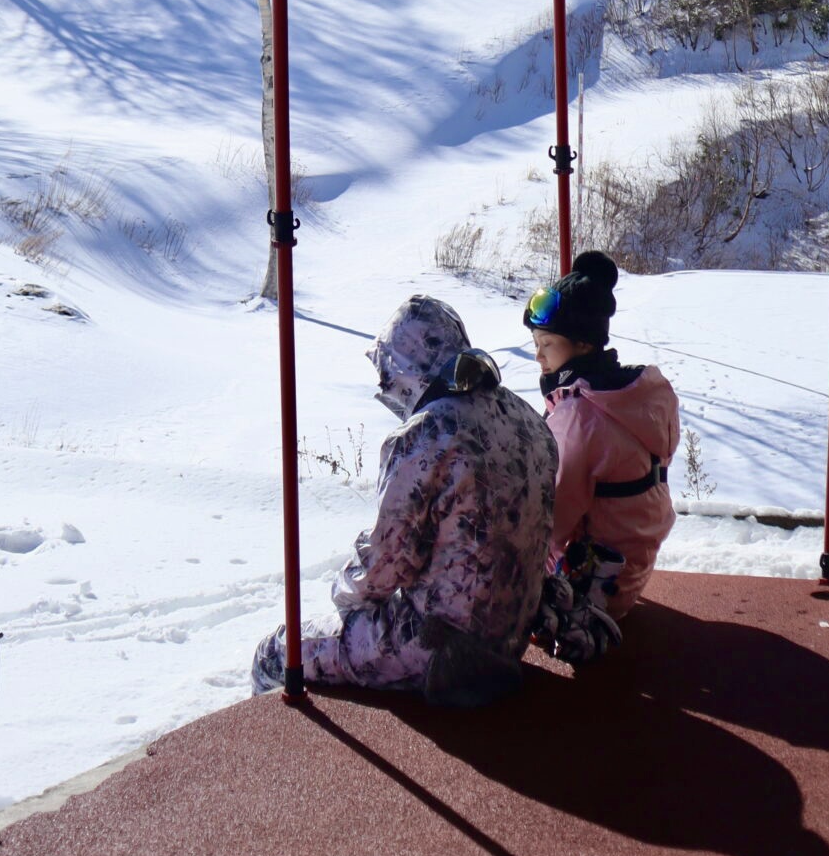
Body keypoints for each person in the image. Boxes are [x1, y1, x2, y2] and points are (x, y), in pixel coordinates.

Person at [252, 292, 556, 704]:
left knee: (277, 652)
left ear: (407, 369)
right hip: (509, 635)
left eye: (389, 381)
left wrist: (345, 593)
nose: (390, 394)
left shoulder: (429, 435)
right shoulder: (528, 420)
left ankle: (279, 758)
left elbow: (385, 565)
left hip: (442, 649)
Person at [525, 250, 680, 625]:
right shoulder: (636, 392)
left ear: (583, 344)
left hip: (596, 586)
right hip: (633, 562)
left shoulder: (579, 414)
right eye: (536, 344)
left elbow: (554, 517)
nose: (538, 357)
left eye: (547, 345)